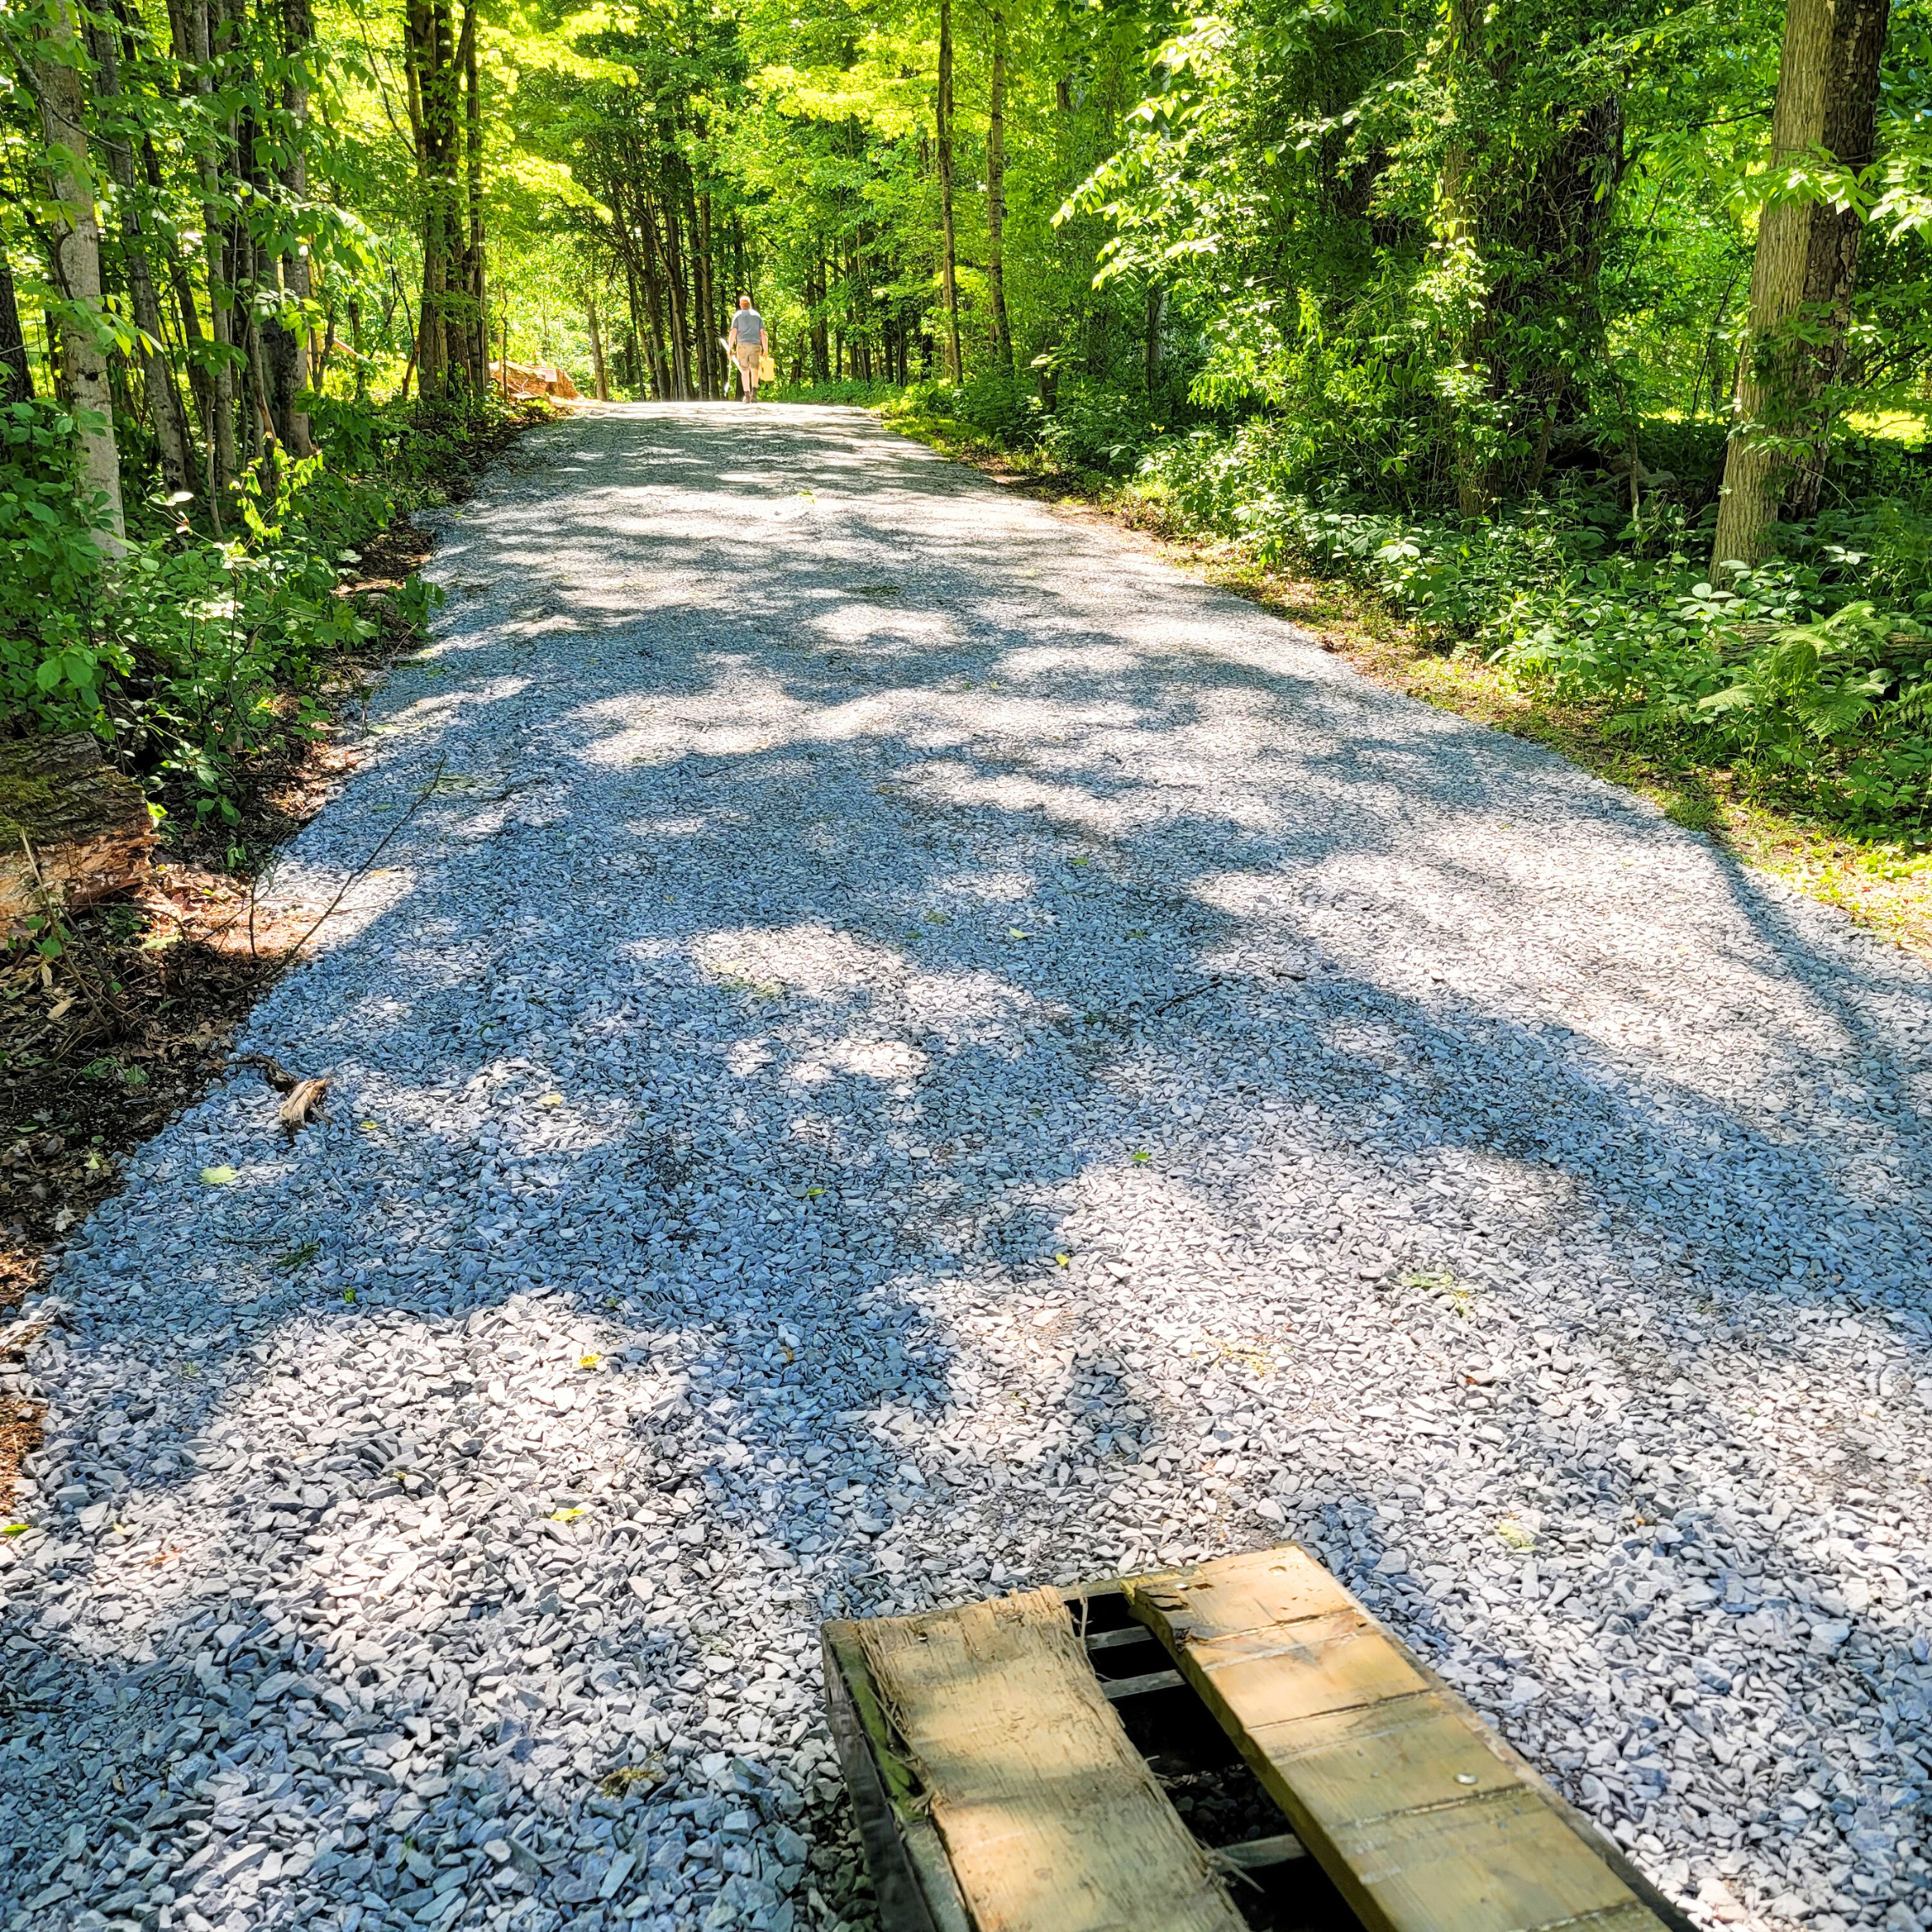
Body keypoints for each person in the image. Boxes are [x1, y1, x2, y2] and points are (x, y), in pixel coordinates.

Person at [728, 295, 769, 402]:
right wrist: (766, 349)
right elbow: (763, 334)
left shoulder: (738, 316)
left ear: (741, 305)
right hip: (755, 345)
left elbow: (733, 333)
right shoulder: (757, 316)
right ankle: (754, 394)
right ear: (749, 305)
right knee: (755, 370)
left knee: (745, 371)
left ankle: (746, 396)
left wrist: (730, 348)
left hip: (742, 346)